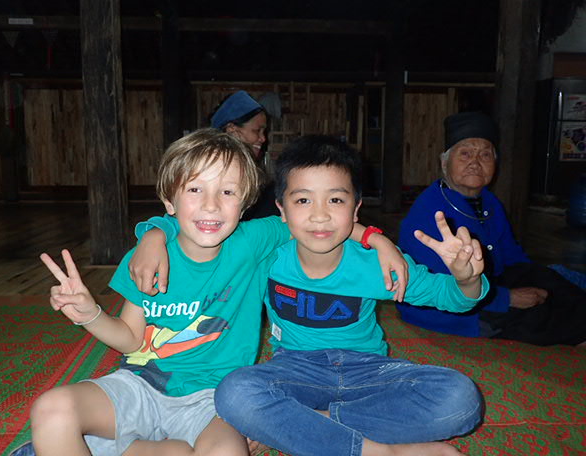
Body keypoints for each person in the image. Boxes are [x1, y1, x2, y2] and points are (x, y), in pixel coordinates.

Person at [13, 129, 407, 456]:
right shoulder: (147, 258)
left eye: (228, 192)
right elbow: (130, 338)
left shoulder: (252, 242)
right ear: (169, 200)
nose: (211, 206)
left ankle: (124, 447)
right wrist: (91, 315)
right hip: (140, 385)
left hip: (214, 400)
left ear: (245, 203)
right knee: (51, 409)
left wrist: (376, 238)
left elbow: (318, 219)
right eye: (195, 190)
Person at [135, 135, 487, 456]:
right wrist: (153, 234)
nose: (320, 215)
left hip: (369, 371)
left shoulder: (377, 263)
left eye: (335, 199)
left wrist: (467, 279)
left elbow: (453, 298)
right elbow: (201, 228)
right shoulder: (266, 254)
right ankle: (380, 451)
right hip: (294, 370)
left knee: (461, 399)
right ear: (281, 209)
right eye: (303, 200)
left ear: (356, 208)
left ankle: (306, 423)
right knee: (234, 392)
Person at [397, 111, 586, 346]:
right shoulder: (430, 211)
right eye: (465, 153)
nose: (475, 163)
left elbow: (512, 256)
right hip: (449, 307)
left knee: (550, 280)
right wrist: (508, 297)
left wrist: (538, 280)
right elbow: (437, 285)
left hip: (488, 282)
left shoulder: (489, 201)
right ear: (444, 162)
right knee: (540, 317)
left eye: (485, 154)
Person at [211, 90, 277, 219]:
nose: (263, 139)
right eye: (257, 131)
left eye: (264, 131)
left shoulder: (255, 178)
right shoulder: (213, 175)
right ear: (232, 131)